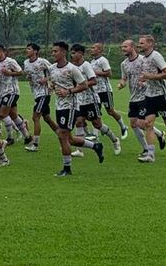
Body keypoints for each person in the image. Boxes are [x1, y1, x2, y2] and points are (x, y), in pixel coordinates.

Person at [47, 42, 104, 177]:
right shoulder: (52, 68)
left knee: (62, 135)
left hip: (71, 106)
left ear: (63, 52)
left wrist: (69, 91)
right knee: (70, 139)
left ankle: (67, 168)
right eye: (52, 51)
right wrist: (50, 86)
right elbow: (52, 81)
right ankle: (95, 146)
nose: (53, 54)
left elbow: (84, 85)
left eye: (55, 51)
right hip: (59, 106)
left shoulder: (72, 69)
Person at [70, 43, 121, 156]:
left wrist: (82, 84)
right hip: (79, 100)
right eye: (71, 53)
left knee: (97, 124)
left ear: (81, 53)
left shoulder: (86, 65)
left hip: (91, 100)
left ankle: (115, 140)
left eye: (74, 53)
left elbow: (94, 81)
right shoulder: (72, 67)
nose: (72, 55)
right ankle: (80, 150)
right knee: (79, 122)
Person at [118, 39, 164, 159]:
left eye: (125, 46)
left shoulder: (142, 60)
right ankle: (157, 136)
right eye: (122, 47)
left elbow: (150, 74)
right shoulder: (123, 64)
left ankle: (148, 149)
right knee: (134, 124)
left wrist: (145, 82)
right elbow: (124, 78)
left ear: (133, 47)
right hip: (133, 97)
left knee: (142, 123)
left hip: (145, 95)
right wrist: (122, 83)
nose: (123, 49)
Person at [0, 44, 31, 146]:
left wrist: (9, 73)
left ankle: (9, 137)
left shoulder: (10, 61)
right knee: (13, 115)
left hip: (12, 91)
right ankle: (27, 136)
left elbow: (21, 72)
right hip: (3, 92)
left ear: (1, 51)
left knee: (1, 114)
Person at [22, 43, 57, 152]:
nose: (26, 50)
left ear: (35, 51)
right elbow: (28, 74)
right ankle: (64, 136)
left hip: (44, 93)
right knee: (47, 118)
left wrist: (46, 80)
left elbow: (55, 71)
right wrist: (28, 76)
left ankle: (35, 144)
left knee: (35, 117)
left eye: (29, 49)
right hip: (36, 94)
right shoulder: (26, 63)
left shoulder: (42, 61)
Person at [90, 42, 129, 139]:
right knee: (96, 112)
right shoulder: (91, 62)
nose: (91, 49)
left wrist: (96, 72)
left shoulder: (103, 60)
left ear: (99, 50)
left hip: (104, 90)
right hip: (95, 91)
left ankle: (123, 127)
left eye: (93, 48)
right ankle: (95, 134)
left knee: (110, 111)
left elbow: (109, 73)